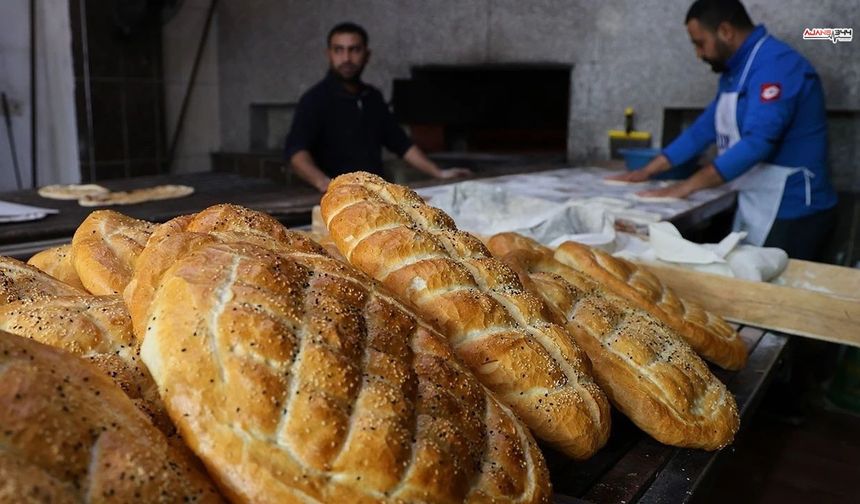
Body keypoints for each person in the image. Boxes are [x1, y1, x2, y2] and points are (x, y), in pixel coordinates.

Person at [610, 0, 838, 260]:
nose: (699, 53)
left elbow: (758, 143)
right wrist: (648, 170)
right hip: (757, 200)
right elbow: (703, 130)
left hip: (795, 211)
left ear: (726, 31)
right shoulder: (735, 72)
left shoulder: (777, 65)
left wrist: (686, 187)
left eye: (699, 43)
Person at [284, 22, 471, 193]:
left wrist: (438, 173)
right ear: (329, 54)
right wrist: (325, 184)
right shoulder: (314, 99)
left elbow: (401, 144)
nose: (346, 58)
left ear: (367, 55)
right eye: (339, 50)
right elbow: (296, 153)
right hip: (335, 199)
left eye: (354, 50)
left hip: (374, 197)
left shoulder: (372, 97)